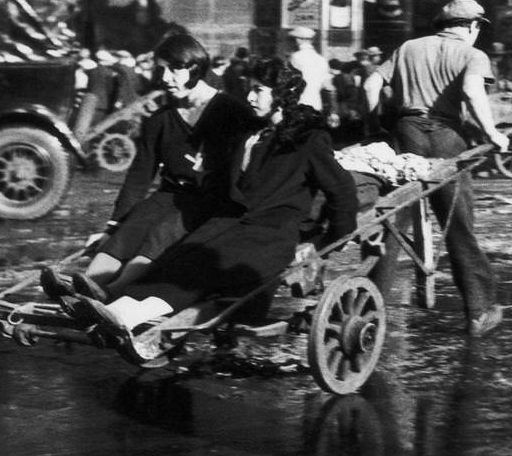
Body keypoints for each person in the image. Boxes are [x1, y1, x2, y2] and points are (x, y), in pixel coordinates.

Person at [65, 56, 358, 338]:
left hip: (270, 235)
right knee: (174, 260)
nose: (250, 98)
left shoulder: (309, 140)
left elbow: (342, 190)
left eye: (258, 90)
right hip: (227, 224)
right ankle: (114, 308)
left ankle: (127, 316)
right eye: (249, 90)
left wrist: (332, 239)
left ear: (281, 95)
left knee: (202, 271)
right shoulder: (249, 133)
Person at [41, 33, 261, 302]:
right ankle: (84, 286)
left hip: (212, 199)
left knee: (163, 234)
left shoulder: (231, 112)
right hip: (169, 194)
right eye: (160, 70)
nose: (165, 78)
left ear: (196, 68)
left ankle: (111, 291)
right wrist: (112, 226)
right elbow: (139, 175)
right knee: (132, 227)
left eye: (174, 70)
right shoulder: (160, 119)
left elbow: (261, 152)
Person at [362, 0, 510, 338]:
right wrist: (492, 133)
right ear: (473, 26)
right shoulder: (473, 55)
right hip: (447, 138)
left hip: (406, 133)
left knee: (392, 224)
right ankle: (479, 311)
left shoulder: (408, 47)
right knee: (458, 225)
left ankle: (369, 310)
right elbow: (473, 91)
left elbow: (370, 85)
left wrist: (373, 127)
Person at [285, 25, 337, 127]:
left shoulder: (295, 57)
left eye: (293, 40)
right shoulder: (321, 60)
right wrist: (333, 111)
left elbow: (288, 83)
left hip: (298, 107)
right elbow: (329, 87)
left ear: (298, 40)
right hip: (317, 106)